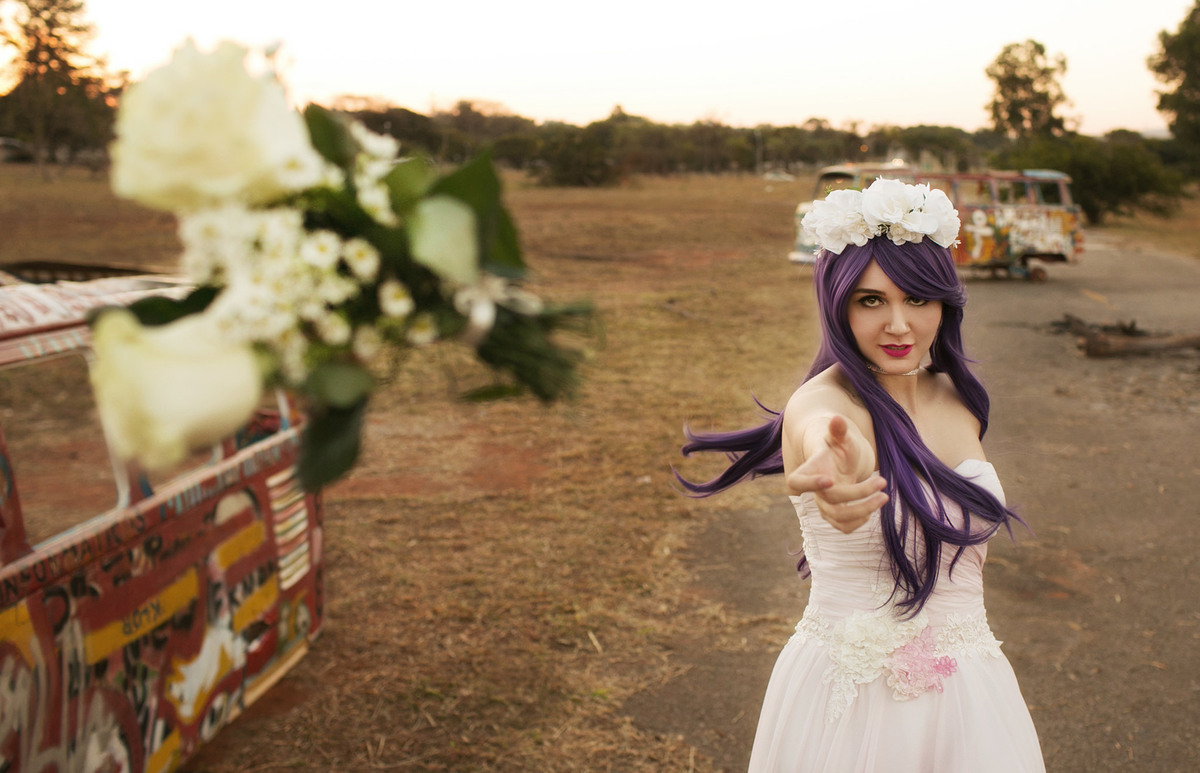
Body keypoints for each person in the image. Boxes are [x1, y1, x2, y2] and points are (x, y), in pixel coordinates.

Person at [677, 178, 1045, 772]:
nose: (898, 325)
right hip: (850, 702)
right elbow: (820, 429)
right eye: (871, 301)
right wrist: (828, 466)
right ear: (838, 305)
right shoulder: (822, 405)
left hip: (970, 689)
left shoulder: (959, 398)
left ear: (943, 304)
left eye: (917, 299)